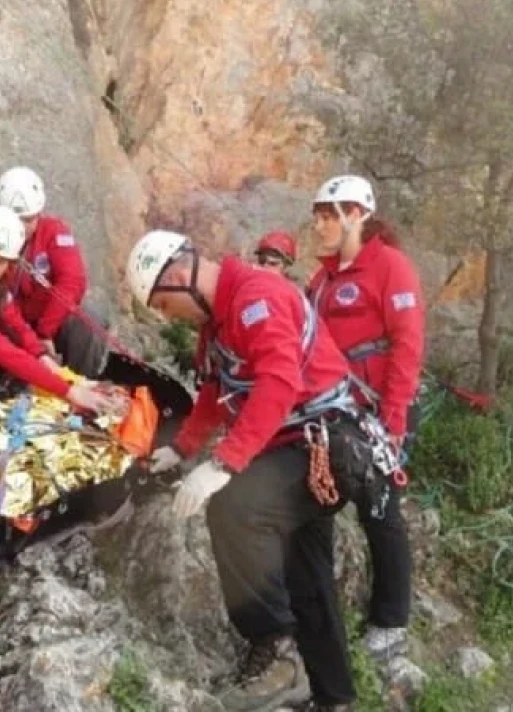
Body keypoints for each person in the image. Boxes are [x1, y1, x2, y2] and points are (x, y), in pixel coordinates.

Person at [128, 229, 359, 712]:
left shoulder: (257, 298)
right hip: (305, 446)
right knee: (306, 571)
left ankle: (275, 649)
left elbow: (278, 381)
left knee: (235, 508)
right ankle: (331, 695)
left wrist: (224, 463)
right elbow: (216, 392)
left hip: (322, 444)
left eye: (165, 305)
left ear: (179, 275)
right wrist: (183, 448)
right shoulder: (219, 325)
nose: (169, 317)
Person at [306, 175, 424, 660]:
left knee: (380, 510)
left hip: (379, 409)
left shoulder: (390, 267)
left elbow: (407, 344)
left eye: (327, 216)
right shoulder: (322, 280)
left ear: (355, 215)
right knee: (314, 504)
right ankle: (316, 608)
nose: (319, 226)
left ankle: (391, 620)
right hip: (335, 412)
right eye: (317, 216)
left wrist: (394, 422)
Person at [0, 205, 123, 411]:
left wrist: (61, 371)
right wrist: (68, 391)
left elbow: (19, 328)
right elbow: (3, 351)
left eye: (0, 261)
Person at [0, 165, 110, 378]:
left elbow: (72, 280)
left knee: (88, 321)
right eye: (18, 220)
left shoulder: (53, 232)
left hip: (47, 321)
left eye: (29, 219)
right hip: (8, 321)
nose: (24, 227)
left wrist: (45, 331)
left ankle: (79, 382)